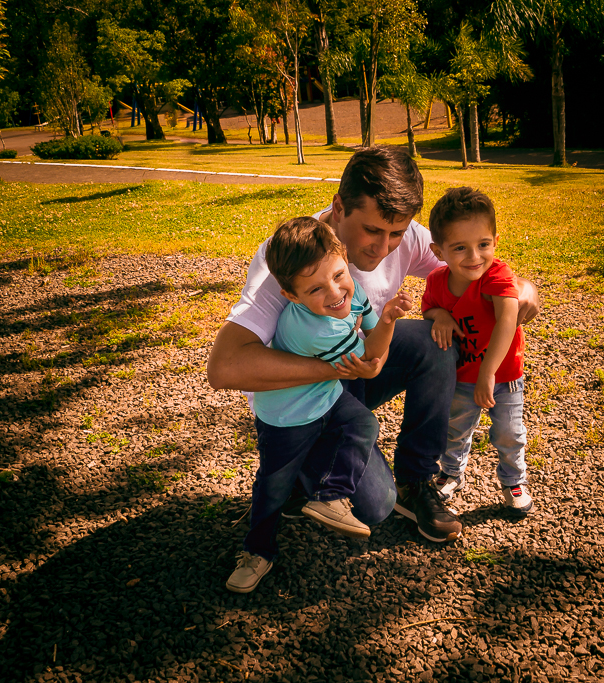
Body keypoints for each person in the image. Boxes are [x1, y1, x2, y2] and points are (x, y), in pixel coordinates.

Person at [207, 147, 540, 587]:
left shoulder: (407, 236)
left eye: (396, 234)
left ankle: (417, 481)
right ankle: (304, 468)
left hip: (362, 363)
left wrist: (521, 290)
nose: (383, 248)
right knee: (374, 506)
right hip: (307, 398)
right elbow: (225, 368)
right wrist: (335, 371)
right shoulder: (291, 260)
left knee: (434, 339)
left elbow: (472, 264)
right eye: (371, 231)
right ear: (339, 207)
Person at [227, 217, 413, 593]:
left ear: (344, 259)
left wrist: (381, 323)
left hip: (325, 395)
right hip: (287, 416)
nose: (334, 293)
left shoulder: (350, 288)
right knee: (273, 486)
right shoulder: (317, 330)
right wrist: (391, 318)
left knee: (362, 425)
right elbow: (371, 361)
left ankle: (330, 495)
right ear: (291, 297)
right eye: (315, 289)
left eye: (338, 275)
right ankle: (257, 550)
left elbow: (370, 331)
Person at [421, 187, 534, 515]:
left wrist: (488, 372)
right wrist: (439, 314)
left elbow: (507, 319)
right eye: (460, 248)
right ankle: (452, 473)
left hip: (504, 376)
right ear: (439, 251)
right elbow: (428, 308)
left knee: (508, 432)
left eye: (483, 245)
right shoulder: (437, 281)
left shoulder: (497, 275)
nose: (474, 257)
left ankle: (514, 480)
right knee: (456, 428)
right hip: (463, 376)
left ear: (495, 241)